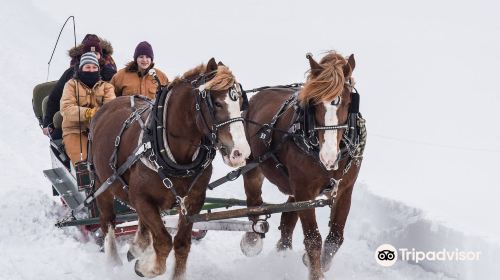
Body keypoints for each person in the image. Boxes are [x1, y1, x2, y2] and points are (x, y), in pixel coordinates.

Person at [42, 34, 117, 138]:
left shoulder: (110, 74)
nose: (93, 56)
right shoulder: (71, 74)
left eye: (96, 53)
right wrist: (48, 122)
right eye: (88, 53)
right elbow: (55, 97)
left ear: (101, 55)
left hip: (102, 122)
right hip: (76, 122)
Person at [60, 52, 115, 165]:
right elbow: (66, 109)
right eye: (87, 67)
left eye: (94, 67)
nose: (91, 70)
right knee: (83, 163)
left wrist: (99, 115)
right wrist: (89, 113)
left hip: (100, 130)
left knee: (110, 161)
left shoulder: (107, 87)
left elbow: (111, 108)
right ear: (81, 68)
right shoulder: (71, 85)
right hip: (75, 130)